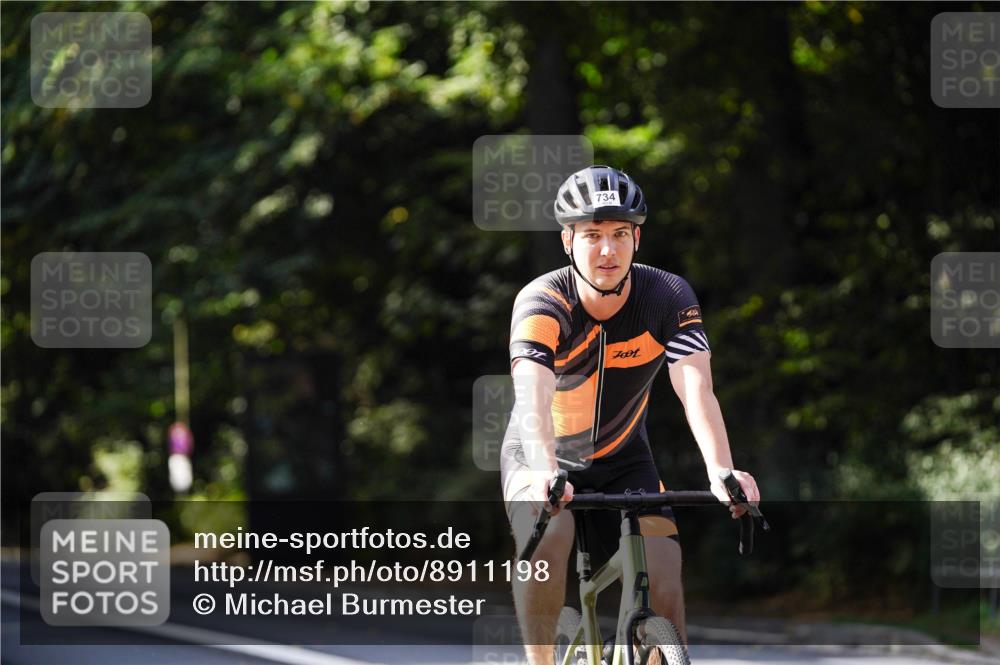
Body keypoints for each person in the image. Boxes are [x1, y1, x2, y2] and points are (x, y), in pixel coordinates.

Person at [500, 165, 761, 665]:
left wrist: (722, 469)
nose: (607, 250)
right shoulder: (541, 301)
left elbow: (696, 388)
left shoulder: (667, 297)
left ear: (637, 237)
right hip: (540, 453)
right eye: (592, 235)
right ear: (567, 240)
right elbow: (532, 394)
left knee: (665, 575)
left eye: (620, 234)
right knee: (548, 542)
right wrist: (542, 469)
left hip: (626, 457)